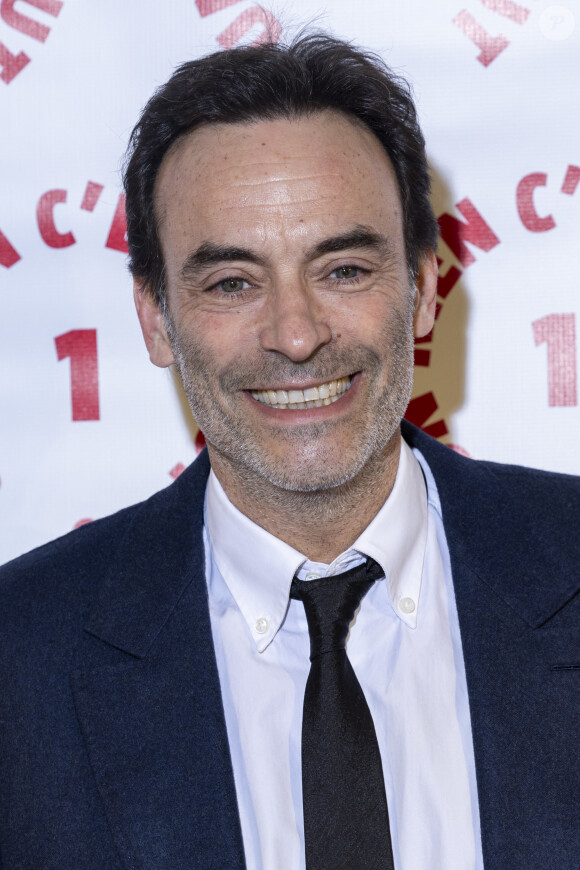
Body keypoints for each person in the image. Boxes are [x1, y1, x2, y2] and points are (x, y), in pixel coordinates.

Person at [0, 33, 578, 870]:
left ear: (422, 287)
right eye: (232, 282)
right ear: (157, 318)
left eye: (342, 269)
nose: (297, 335)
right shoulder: (22, 661)